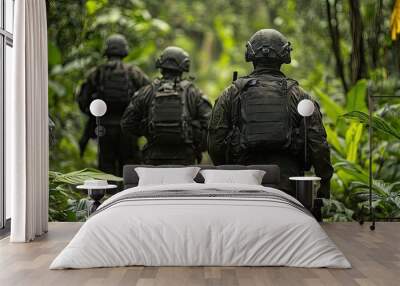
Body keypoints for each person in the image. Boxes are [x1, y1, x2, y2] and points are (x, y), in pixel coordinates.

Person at [208, 29, 333, 203]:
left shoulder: (231, 93)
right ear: (284, 56)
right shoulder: (300, 95)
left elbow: (215, 141)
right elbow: (317, 143)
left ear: (250, 55)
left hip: (244, 181)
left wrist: (229, 172)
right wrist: (325, 182)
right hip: (287, 183)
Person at [121, 46, 211, 165]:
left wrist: (146, 130)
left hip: (153, 155)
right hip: (185, 157)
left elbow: (127, 123)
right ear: (184, 67)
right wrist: (198, 146)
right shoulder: (194, 93)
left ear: (161, 66)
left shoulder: (146, 91)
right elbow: (210, 125)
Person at [76, 34, 150, 176]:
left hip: (104, 126)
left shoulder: (97, 72)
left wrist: (94, 115)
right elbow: (148, 94)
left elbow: (82, 99)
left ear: (107, 50)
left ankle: (108, 197)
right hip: (128, 128)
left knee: (106, 167)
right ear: (124, 50)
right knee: (129, 167)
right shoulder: (134, 72)